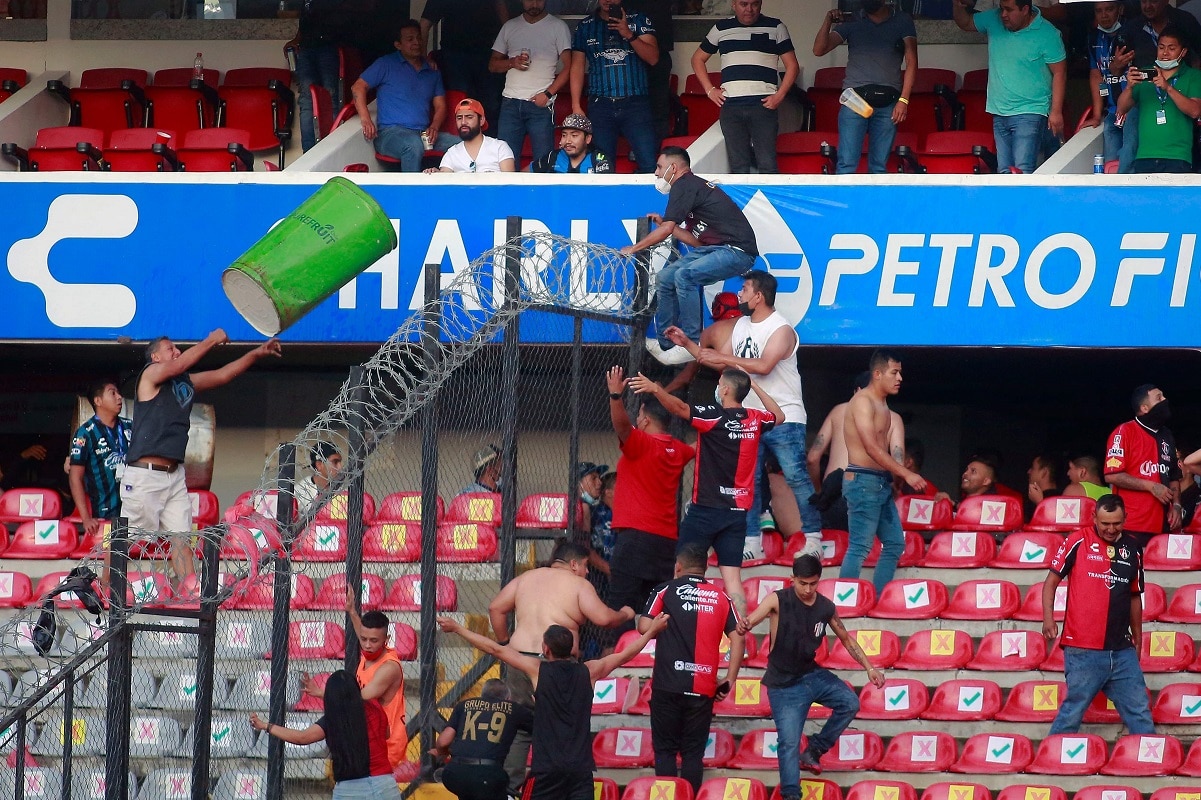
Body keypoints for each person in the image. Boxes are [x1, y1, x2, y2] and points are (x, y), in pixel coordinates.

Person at [663, 271, 817, 562]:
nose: (739, 294)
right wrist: (688, 344)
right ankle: (752, 540)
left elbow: (763, 365)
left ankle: (814, 537)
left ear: (759, 296)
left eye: (745, 288)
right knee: (751, 480)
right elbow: (720, 362)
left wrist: (723, 358)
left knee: (796, 476)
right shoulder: (741, 325)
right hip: (751, 418)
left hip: (785, 414)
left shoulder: (781, 328)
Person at [437, 613, 670, 800]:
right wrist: (651, 631)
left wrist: (458, 628)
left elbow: (496, 649)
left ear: (546, 649)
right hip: (580, 769)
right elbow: (625, 654)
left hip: (546, 769)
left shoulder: (538, 670)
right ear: (571, 650)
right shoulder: (589, 671)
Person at [122, 332, 281, 582]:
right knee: (126, 540)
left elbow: (223, 375)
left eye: (177, 347)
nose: (176, 351)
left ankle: (190, 593)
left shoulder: (183, 383)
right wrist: (211, 340)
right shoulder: (150, 374)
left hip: (175, 476)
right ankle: (104, 589)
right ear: (155, 357)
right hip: (145, 474)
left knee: (181, 539)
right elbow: (180, 364)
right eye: (169, 348)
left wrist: (255, 353)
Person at [627, 367, 781, 616]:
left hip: (706, 509)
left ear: (726, 390)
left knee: (680, 569)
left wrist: (656, 389)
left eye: (720, 384)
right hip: (736, 513)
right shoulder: (755, 418)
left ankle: (669, 626)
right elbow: (779, 415)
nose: (718, 388)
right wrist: (754, 386)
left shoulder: (714, 417)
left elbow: (679, 408)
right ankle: (739, 636)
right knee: (733, 580)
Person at [488, 540, 636, 795]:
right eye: (587, 566)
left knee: (521, 726)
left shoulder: (527, 578)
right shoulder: (578, 584)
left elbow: (495, 608)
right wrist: (625, 614)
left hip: (521, 658)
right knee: (563, 724)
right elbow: (604, 618)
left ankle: (511, 789)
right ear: (574, 564)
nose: (588, 572)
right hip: (556, 664)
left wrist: (505, 644)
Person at [738, 555, 886, 795]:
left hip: (811, 675)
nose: (807, 589)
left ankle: (814, 750)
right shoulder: (778, 599)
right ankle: (791, 794)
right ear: (792, 579)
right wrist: (745, 625)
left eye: (813, 583)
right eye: (802, 583)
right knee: (788, 744)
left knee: (850, 702)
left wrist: (869, 668)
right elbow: (754, 618)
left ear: (819, 581)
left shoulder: (826, 607)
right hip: (783, 685)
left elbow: (846, 638)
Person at [620, 146, 759, 366]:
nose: (656, 173)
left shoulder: (684, 184)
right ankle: (668, 344)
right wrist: (667, 225)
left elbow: (666, 230)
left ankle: (691, 342)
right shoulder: (690, 187)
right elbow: (697, 242)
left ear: (673, 168)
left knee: (685, 275)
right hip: (715, 249)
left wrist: (634, 248)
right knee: (665, 277)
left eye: (659, 167)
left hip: (737, 251)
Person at [1043, 494, 1156, 736]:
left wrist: (1138, 637)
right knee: (1073, 709)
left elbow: (1135, 595)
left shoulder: (1134, 547)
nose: (1111, 529)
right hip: (1083, 649)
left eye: (1116, 523)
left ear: (1125, 518)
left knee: (1139, 710)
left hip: (1122, 649)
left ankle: (1149, 762)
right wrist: (1048, 619)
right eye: (1105, 523)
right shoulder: (1077, 540)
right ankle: (1052, 762)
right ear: (1094, 517)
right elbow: (1051, 581)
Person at [640, 544, 743, 794]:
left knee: (664, 751)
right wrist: (729, 678)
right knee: (692, 755)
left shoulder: (665, 590)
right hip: (703, 687)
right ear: (705, 568)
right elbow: (739, 637)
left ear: (678, 566)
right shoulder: (721, 597)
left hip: (667, 685)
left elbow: (644, 626)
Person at [603, 366, 695, 635]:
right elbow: (702, 443)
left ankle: (617, 669)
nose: (637, 418)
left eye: (640, 414)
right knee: (655, 612)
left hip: (634, 540)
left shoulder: (641, 443)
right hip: (665, 543)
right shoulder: (678, 450)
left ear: (645, 419)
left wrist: (615, 397)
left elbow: (621, 426)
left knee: (620, 611)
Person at [839, 350, 927, 595]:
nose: (899, 378)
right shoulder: (862, 401)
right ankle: (846, 605)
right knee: (859, 546)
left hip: (879, 482)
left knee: (894, 543)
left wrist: (895, 477)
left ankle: (877, 600)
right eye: (894, 372)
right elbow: (870, 447)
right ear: (877, 374)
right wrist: (906, 474)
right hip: (862, 480)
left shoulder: (883, 404)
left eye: (900, 372)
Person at [952, 0, 1066, 174]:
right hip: (999, 111)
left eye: (1009, 10)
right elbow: (965, 23)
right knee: (1004, 172)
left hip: (1031, 111)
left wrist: (1056, 111)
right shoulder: (994, 19)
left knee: (1023, 170)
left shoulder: (1048, 33)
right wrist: (958, 5)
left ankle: (1023, 202)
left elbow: (1059, 73)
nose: (1003, 14)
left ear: (1025, 9)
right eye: (1001, 8)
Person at [250, 670, 402, 800]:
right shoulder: (375, 707)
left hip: (351, 791)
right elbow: (386, 733)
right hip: (385, 786)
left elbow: (302, 738)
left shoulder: (333, 719)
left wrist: (266, 726)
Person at [302, 589, 408, 767]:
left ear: (386, 639)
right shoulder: (370, 650)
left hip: (387, 746)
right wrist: (352, 611)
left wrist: (322, 693)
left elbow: (357, 699)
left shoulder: (388, 668)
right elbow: (364, 633)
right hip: (368, 739)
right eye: (364, 639)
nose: (367, 645)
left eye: (373, 640)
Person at [691, 0, 799, 174]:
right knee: (738, 166)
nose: (749, 9)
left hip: (763, 104)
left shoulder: (776, 26)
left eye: (754, 4)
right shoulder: (721, 28)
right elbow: (697, 59)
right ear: (733, 4)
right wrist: (710, 90)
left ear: (761, 4)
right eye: (744, 4)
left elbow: (792, 65)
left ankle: (766, 202)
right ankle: (741, 203)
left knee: (767, 164)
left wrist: (780, 95)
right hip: (731, 105)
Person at [812, 0, 917, 175]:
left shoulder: (902, 20)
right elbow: (818, 50)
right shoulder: (853, 20)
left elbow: (912, 62)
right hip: (855, 100)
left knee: (878, 167)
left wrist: (904, 100)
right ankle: (846, 203)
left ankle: (873, 203)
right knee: (846, 164)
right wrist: (828, 21)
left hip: (889, 101)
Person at [352, 19, 461, 172]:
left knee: (462, 144)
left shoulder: (432, 71)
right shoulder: (385, 64)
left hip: (422, 134)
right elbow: (358, 87)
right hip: (390, 134)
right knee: (412, 145)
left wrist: (434, 127)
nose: (416, 42)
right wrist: (365, 119)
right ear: (398, 45)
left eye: (419, 38)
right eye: (410, 39)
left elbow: (441, 106)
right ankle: (411, 195)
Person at [569, 0, 660, 174]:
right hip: (600, 105)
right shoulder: (585, 26)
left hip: (636, 103)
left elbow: (653, 58)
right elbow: (577, 67)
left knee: (648, 163)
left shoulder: (639, 19)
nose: (607, 0)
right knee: (602, 167)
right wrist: (575, 105)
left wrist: (628, 33)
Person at [807, 372, 905, 532]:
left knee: (834, 552)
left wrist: (819, 491)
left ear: (857, 391)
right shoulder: (893, 418)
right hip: (871, 497)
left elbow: (812, 458)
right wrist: (894, 490)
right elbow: (899, 466)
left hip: (834, 497)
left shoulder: (838, 411)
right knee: (868, 553)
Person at [490, 0, 572, 163]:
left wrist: (548, 94)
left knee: (543, 163)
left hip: (541, 105)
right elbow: (492, 65)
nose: (534, 4)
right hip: (510, 103)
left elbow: (570, 67)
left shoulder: (557, 26)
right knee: (505, 162)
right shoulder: (510, 26)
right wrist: (512, 62)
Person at [69, 380, 131, 588]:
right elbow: (75, 476)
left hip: (134, 507)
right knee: (113, 555)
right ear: (97, 401)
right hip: (105, 511)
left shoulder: (131, 428)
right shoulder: (85, 433)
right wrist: (85, 517)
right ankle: (106, 592)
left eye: (119, 393)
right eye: (112, 393)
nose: (119, 397)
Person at [1103, 383, 1182, 548]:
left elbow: (1174, 476)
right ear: (1145, 408)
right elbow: (1111, 474)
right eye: (1159, 398)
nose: (1165, 400)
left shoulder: (1167, 435)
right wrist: (1151, 486)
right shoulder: (1124, 432)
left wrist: (1176, 505)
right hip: (1131, 525)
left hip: (1163, 525)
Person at [432, 679, 533, 800]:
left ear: (482, 695)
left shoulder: (464, 705)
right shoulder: (514, 708)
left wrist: (444, 753)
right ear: (508, 698)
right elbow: (543, 728)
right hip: (488, 774)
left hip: (454, 772)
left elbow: (443, 741)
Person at [1117, 28, 1201, 173]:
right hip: (1144, 155)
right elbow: (1121, 109)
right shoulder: (1145, 73)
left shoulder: (1193, 76)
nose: (1165, 53)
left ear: (1183, 52)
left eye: (1172, 48)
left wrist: (1167, 87)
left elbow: (1195, 111)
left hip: (1177, 157)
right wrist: (1129, 87)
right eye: (1161, 47)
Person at [420, 0, 508, 125]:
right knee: (461, 102)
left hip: (486, 53)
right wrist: (423, 58)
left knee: (491, 104)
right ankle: (461, 142)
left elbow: (500, 7)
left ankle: (489, 142)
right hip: (454, 56)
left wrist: (509, 41)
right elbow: (424, 24)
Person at [285, 0, 349, 152]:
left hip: (328, 48)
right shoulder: (306, 3)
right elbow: (305, 24)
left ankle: (330, 151)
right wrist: (296, 41)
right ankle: (309, 153)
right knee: (307, 101)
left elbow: (342, 21)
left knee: (330, 98)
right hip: (307, 49)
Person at [662, 291, 742, 404]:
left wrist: (661, 392)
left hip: (730, 393)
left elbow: (687, 375)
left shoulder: (711, 332)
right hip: (755, 387)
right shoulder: (750, 324)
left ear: (717, 309)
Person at [1083, 1, 1136, 170]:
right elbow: (1096, 74)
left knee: (1128, 163)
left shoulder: (1133, 32)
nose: (1104, 15)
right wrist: (1097, 114)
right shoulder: (1094, 37)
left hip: (1133, 110)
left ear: (1120, 9)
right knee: (1110, 166)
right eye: (1099, 11)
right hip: (1112, 112)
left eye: (1109, 9)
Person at [625, 0, 676, 141]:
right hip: (625, 52)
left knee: (658, 107)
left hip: (658, 49)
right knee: (628, 106)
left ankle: (659, 154)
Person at [427, 98, 517, 173]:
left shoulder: (500, 147)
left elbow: (509, 186)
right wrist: (436, 175)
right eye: (459, 118)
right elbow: (445, 185)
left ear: (481, 120)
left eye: (469, 117)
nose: (463, 122)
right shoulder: (451, 153)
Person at [528, 113, 613, 173]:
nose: (568, 141)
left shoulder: (599, 160)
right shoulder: (553, 157)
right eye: (564, 135)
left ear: (588, 139)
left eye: (574, 135)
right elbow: (523, 177)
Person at [294, 442, 343, 515]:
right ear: (319, 465)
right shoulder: (300, 491)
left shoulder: (345, 489)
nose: (340, 467)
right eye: (335, 462)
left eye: (340, 462)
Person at [933, 456, 1000, 507]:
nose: (965, 473)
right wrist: (950, 503)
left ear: (986, 481)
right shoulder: (962, 503)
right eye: (966, 470)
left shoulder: (992, 506)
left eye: (973, 471)